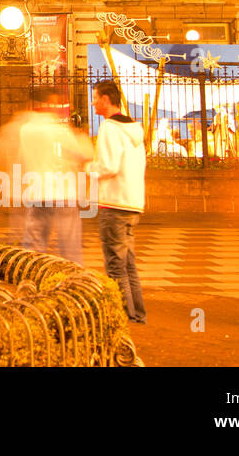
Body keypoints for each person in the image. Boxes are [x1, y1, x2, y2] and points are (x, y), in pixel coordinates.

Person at [88, 80, 147, 324]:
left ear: (105, 99)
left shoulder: (110, 128)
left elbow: (109, 167)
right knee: (128, 264)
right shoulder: (134, 128)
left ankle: (122, 316)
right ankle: (137, 314)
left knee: (115, 266)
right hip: (133, 202)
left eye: (95, 97)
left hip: (114, 202)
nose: (93, 103)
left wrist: (86, 168)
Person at [17, 86, 93, 263]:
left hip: (37, 193)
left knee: (34, 247)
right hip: (62, 193)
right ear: (49, 103)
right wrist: (80, 135)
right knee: (70, 248)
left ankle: (33, 279)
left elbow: (21, 159)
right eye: (56, 103)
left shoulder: (25, 129)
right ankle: (74, 281)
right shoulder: (57, 129)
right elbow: (83, 154)